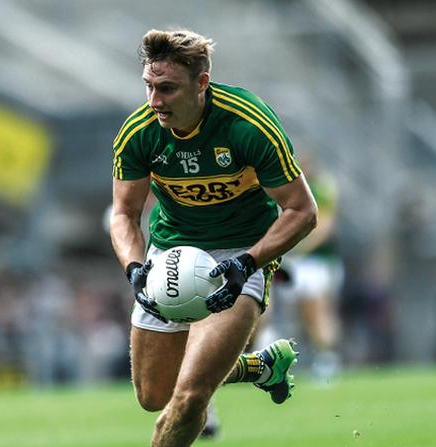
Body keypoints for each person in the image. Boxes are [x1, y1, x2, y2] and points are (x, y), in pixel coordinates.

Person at [110, 29, 317, 446]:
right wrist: (134, 269)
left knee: (189, 397)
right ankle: (258, 367)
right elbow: (124, 215)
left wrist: (250, 262)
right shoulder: (139, 133)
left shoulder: (248, 125)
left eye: (167, 89)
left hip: (240, 255)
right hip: (170, 255)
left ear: (201, 83)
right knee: (154, 396)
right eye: (149, 87)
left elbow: (303, 211)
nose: (155, 102)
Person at [265, 160, 344, 382]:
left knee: (316, 309)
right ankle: (306, 358)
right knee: (293, 313)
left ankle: (327, 359)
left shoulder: (321, 187)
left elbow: (325, 225)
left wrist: (296, 247)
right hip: (293, 261)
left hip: (315, 261)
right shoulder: (280, 187)